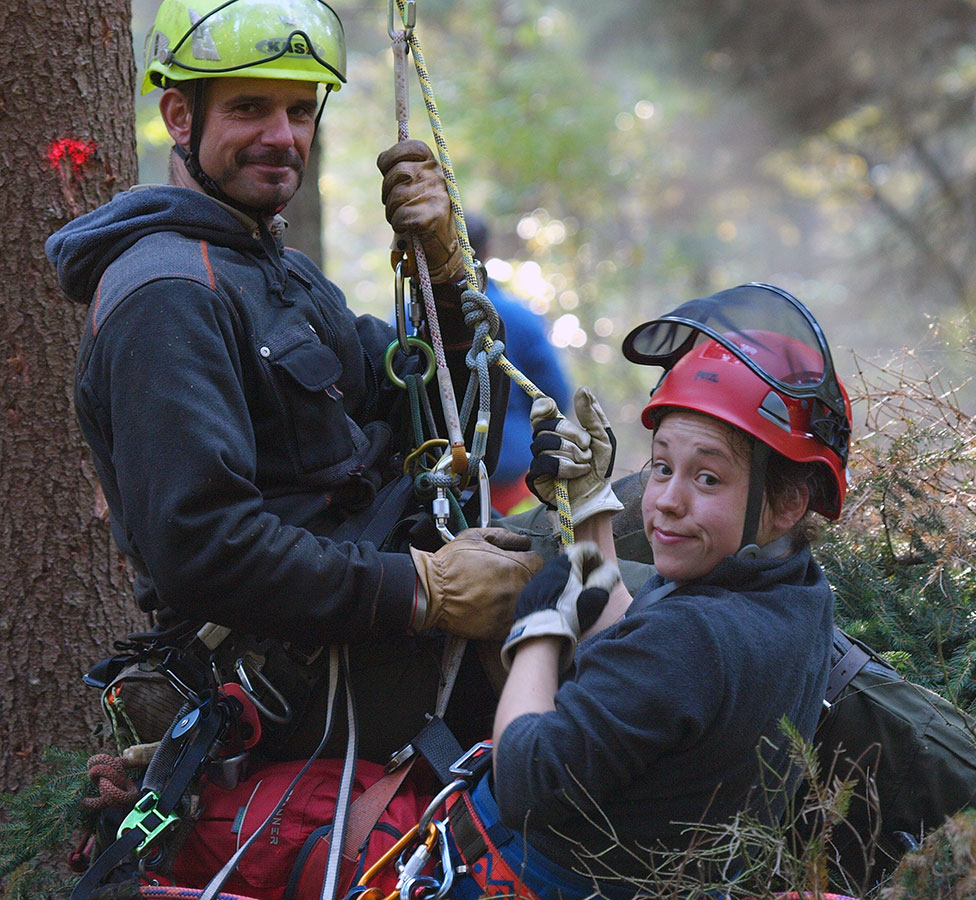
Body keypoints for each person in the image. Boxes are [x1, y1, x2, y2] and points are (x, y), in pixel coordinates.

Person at [44, 0, 543, 763]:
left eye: (300, 110)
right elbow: (207, 547)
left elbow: (430, 428)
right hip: (301, 676)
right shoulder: (168, 293)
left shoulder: (277, 274)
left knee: (636, 539)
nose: (283, 137)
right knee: (632, 605)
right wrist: (425, 590)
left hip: (362, 637)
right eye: (250, 108)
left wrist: (445, 276)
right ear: (180, 116)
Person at [438, 283, 848, 898]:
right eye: (661, 466)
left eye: (707, 477)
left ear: (788, 500)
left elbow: (525, 777)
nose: (664, 502)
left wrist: (538, 636)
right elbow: (647, 662)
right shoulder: (796, 598)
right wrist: (593, 517)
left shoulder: (695, 638)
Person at [463, 212, 572, 514]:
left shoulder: (409, 320)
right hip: (513, 474)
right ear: (486, 252)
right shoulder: (519, 317)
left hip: (440, 478)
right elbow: (554, 396)